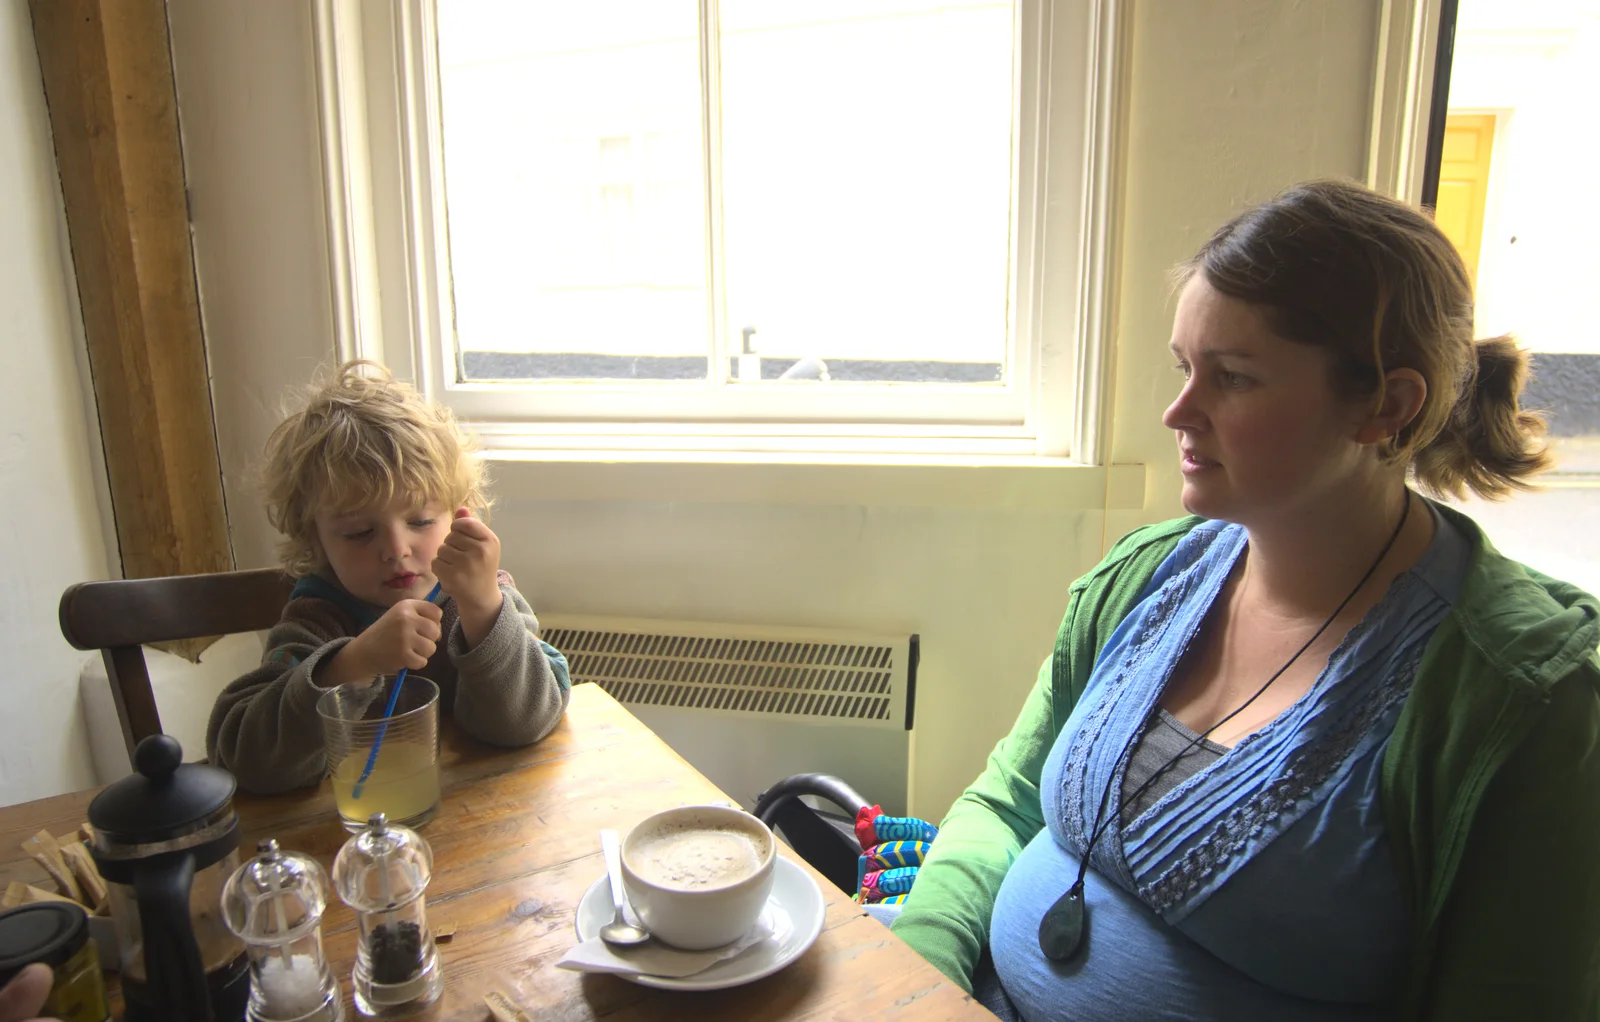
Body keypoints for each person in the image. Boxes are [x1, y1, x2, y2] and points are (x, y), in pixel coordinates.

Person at [889, 179, 1600, 1020]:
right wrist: (910, 980)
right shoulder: (1144, 579)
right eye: (1186, 366)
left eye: (1232, 378)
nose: (1177, 411)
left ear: (1385, 406)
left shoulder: (1524, 702)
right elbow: (1007, 798)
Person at [207, 361, 570, 794]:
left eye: (419, 521)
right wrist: (353, 664)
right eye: (360, 532)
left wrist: (484, 610)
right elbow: (247, 759)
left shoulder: (482, 598)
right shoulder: (318, 618)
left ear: (458, 514)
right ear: (317, 541)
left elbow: (526, 723)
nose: (396, 549)